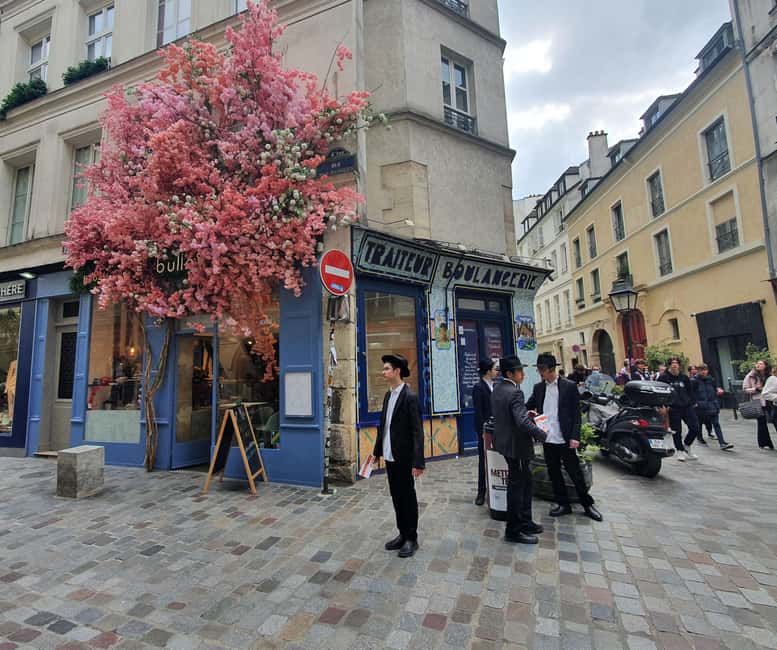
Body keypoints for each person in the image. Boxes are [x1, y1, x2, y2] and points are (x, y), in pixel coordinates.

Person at [527, 353, 602, 521]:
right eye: (539, 369)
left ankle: (587, 504)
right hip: (547, 436)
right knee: (554, 472)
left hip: (565, 437)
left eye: (542, 369)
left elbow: (576, 413)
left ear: (552, 369)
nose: (540, 373)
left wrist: (575, 436)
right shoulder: (539, 388)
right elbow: (529, 405)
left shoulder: (568, 386)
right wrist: (529, 413)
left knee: (574, 472)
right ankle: (563, 504)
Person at [372, 353, 425, 558]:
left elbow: (417, 431)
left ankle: (412, 538)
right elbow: (383, 427)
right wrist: (377, 452)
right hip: (390, 456)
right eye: (384, 368)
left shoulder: (410, 397)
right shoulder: (388, 395)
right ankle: (402, 534)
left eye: (386, 368)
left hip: (404, 457)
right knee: (396, 496)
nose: (383, 372)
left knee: (407, 497)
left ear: (397, 371)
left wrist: (418, 461)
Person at [491, 355, 547, 544]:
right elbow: (521, 422)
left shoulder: (498, 388)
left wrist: (525, 413)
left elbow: (511, 415)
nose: (523, 374)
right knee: (517, 487)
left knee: (526, 481)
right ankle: (513, 529)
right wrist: (542, 434)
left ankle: (525, 520)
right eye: (519, 370)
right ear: (509, 373)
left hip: (505, 444)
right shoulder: (515, 392)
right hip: (517, 446)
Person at [658, 357, 701, 461]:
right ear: (669, 365)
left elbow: (690, 391)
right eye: (672, 363)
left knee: (695, 427)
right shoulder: (663, 378)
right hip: (673, 408)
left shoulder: (684, 377)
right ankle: (680, 451)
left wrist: (694, 402)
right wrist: (662, 406)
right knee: (676, 431)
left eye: (676, 363)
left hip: (687, 406)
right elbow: (659, 393)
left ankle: (687, 445)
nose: (674, 365)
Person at [472, 359, 498, 506]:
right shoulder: (479, 387)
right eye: (494, 369)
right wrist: (482, 430)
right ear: (488, 371)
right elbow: (478, 412)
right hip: (486, 430)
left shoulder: (496, 385)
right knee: (484, 460)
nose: (496, 371)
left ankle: (496, 488)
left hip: (498, 428)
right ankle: (481, 492)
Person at [692, 364, 733, 451]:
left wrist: (718, 391)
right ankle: (699, 437)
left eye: (705, 370)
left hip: (712, 404)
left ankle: (722, 442)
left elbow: (715, 389)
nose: (703, 372)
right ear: (698, 371)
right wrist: (695, 403)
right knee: (699, 423)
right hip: (701, 407)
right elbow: (690, 393)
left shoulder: (711, 380)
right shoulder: (694, 381)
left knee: (716, 424)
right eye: (701, 370)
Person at [743, 359, 775, 450]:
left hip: (770, 400)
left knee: (774, 419)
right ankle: (764, 443)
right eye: (757, 363)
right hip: (758, 401)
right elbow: (745, 389)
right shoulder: (751, 375)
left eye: (761, 364)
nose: (758, 365)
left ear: (765, 366)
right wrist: (755, 389)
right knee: (761, 423)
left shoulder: (769, 376)